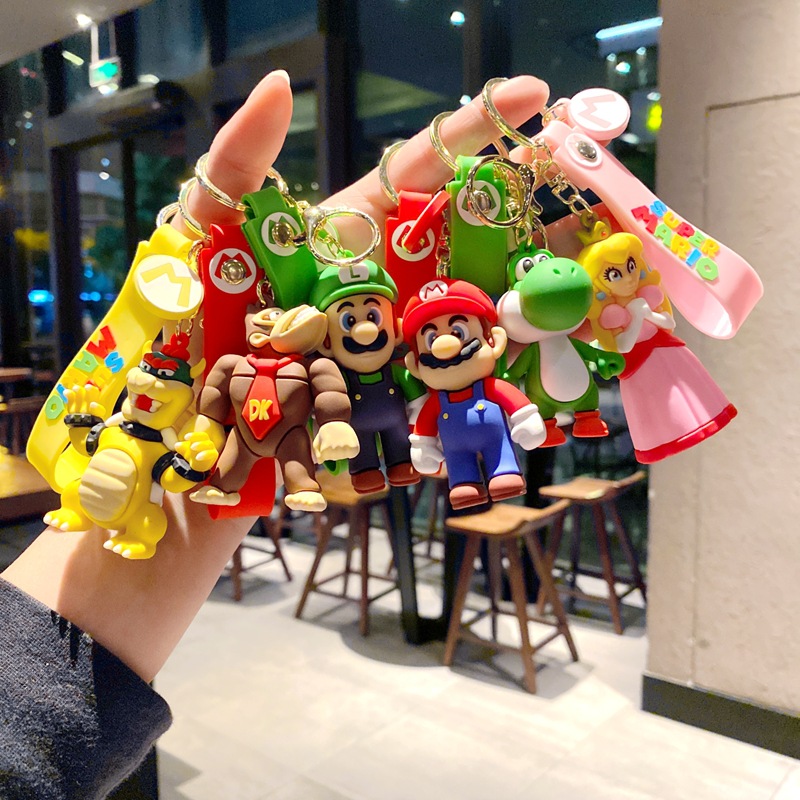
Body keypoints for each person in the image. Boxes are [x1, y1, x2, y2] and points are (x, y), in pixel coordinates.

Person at [0, 70, 551, 798]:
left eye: (372, 316)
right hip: (235, 445)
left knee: (324, 453)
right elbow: (219, 401)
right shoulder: (237, 361)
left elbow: (338, 395)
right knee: (255, 459)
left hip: (344, 428)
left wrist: (346, 426)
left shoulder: (343, 360)